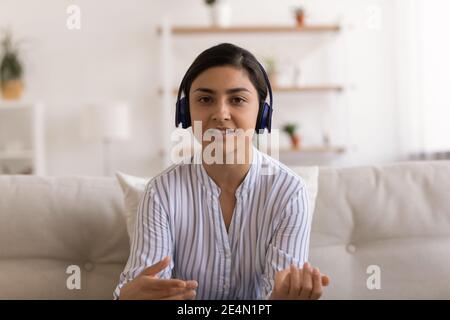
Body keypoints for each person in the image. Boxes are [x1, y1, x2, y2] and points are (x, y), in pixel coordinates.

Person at [114, 43, 330, 300]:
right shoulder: (162, 192)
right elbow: (144, 287)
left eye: (237, 100)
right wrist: (128, 297)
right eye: (205, 99)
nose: (220, 113)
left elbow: (276, 294)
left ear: (262, 113)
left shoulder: (289, 192)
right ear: (186, 112)